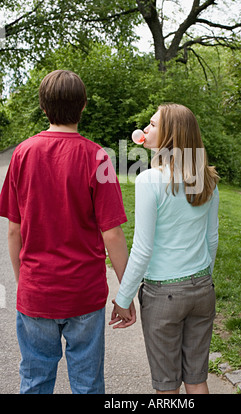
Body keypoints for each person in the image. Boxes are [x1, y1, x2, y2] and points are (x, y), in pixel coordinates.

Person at [0, 69, 135, 394]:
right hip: (83, 295)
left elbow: (13, 231)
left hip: (36, 291)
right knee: (88, 385)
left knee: (34, 383)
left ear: (43, 107)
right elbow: (112, 235)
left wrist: (24, 284)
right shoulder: (98, 157)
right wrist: (127, 293)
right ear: (84, 105)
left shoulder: (22, 154)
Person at [110, 103, 219, 394]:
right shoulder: (208, 180)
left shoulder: (149, 180)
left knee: (167, 385)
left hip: (164, 296)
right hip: (202, 290)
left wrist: (123, 298)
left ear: (171, 134)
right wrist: (202, 279)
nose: (145, 129)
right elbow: (212, 239)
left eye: (153, 124)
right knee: (196, 379)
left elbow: (142, 249)